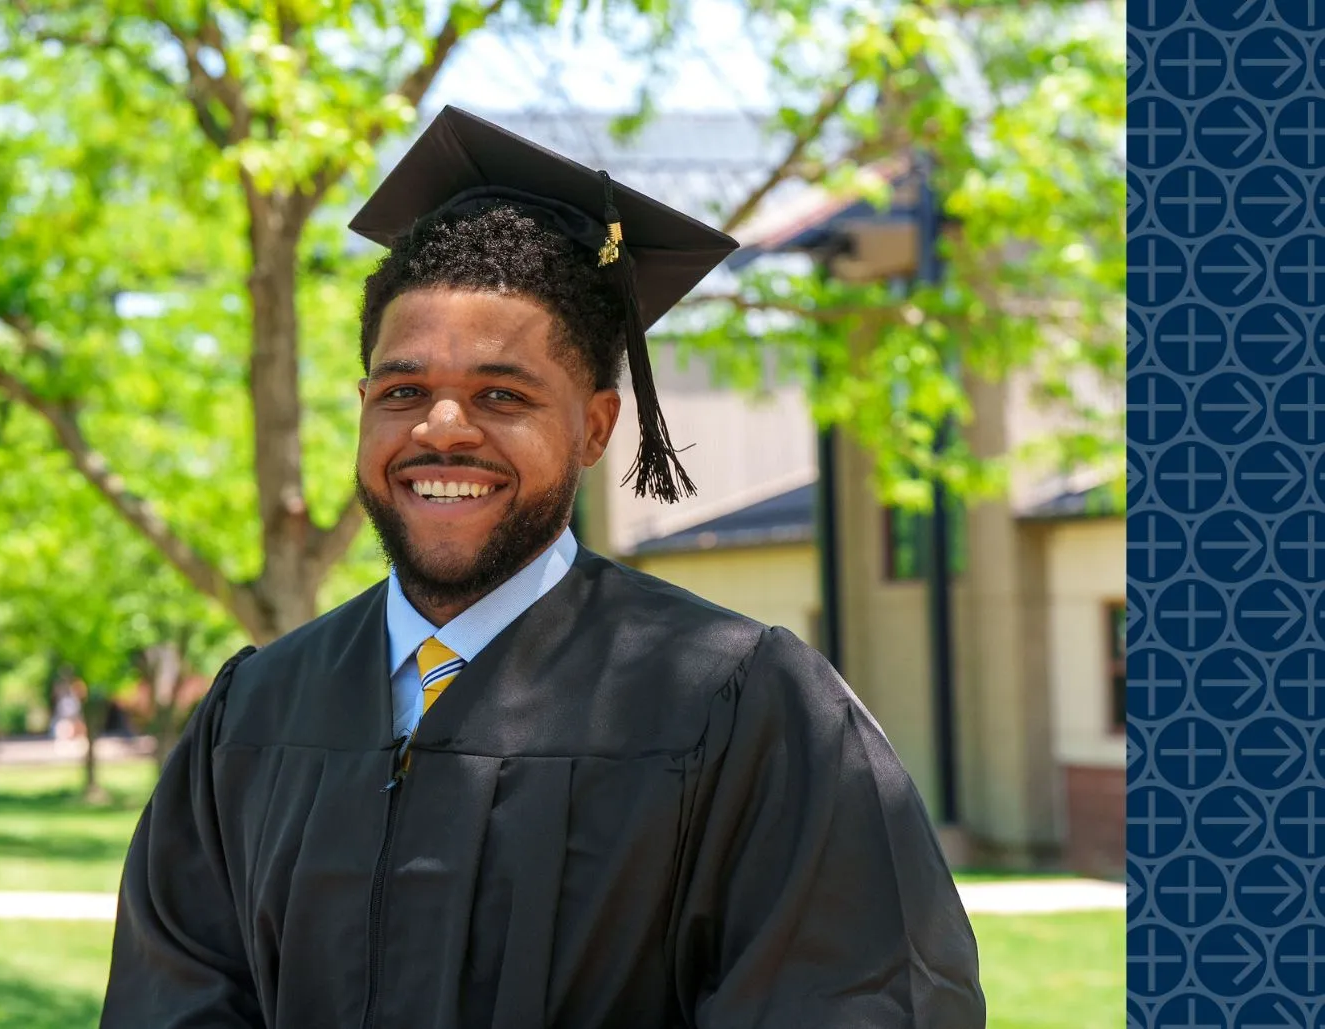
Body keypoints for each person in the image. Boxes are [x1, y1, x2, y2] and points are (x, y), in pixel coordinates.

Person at [100, 107, 984, 1028]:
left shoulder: (738, 705)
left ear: (596, 426)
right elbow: (172, 999)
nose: (442, 429)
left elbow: (857, 998)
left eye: (500, 394)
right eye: (404, 391)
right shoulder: (255, 713)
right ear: (364, 407)